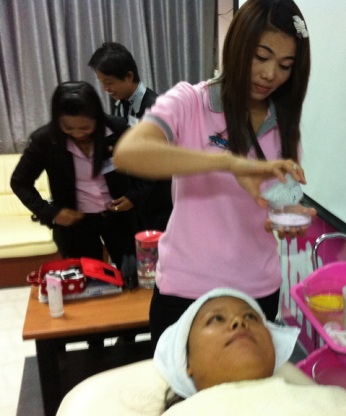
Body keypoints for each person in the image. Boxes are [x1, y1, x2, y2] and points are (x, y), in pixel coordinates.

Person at [113, 0, 315, 348]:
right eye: (261, 56)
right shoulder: (191, 101)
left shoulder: (284, 126)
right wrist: (228, 163)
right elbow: (129, 153)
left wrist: (288, 213)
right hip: (185, 289)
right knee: (179, 383)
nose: (271, 74)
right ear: (237, 46)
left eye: (285, 65)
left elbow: (276, 198)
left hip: (257, 291)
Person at [148, 288, 346, 416]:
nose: (239, 322)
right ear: (186, 363)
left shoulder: (334, 401)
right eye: (216, 319)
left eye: (251, 317)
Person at [10, 81, 144, 269]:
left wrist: (133, 196)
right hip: (76, 223)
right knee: (87, 277)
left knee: (132, 274)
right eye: (68, 128)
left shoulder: (117, 129)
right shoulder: (45, 140)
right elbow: (19, 182)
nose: (78, 134)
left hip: (119, 217)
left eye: (85, 128)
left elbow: (146, 165)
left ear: (97, 118)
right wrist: (51, 213)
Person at [88, 42, 173, 231]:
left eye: (109, 82)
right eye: (101, 82)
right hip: (135, 196)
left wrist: (135, 196)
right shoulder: (120, 102)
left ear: (129, 76)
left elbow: (156, 161)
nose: (105, 88)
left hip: (157, 201)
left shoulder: (155, 107)